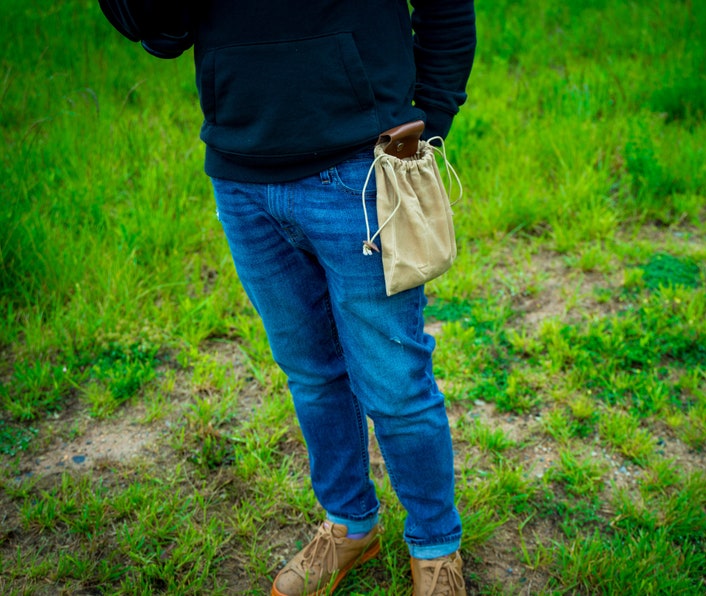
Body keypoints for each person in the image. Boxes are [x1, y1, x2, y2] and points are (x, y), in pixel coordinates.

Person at [99, 1, 476, 594]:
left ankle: (435, 547)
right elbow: (159, 30)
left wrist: (430, 118)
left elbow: (445, 6)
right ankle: (351, 525)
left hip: (361, 168)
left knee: (395, 381)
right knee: (311, 373)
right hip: (241, 174)